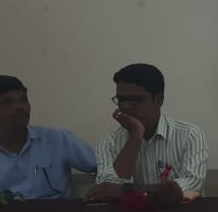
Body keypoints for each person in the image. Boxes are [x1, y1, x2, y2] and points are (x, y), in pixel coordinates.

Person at [0, 75, 96, 203]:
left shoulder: (58, 140)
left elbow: (101, 165)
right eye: (8, 102)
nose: (20, 107)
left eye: (23, 100)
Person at [86, 63, 207, 202]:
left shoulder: (190, 134)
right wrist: (135, 134)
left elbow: (192, 184)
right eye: (121, 100)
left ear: (159, 99)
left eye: (134, 100)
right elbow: (107, 188)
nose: (125, 107)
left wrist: (128, 192)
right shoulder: (108, 142)